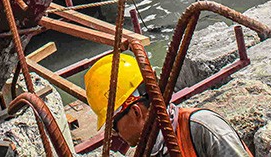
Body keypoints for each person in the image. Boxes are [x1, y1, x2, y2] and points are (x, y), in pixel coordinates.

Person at [84, 54, 251, 156]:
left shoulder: (202, 128)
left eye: (114, 126)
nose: (115, 134)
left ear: (136, 112)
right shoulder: (149, 150)